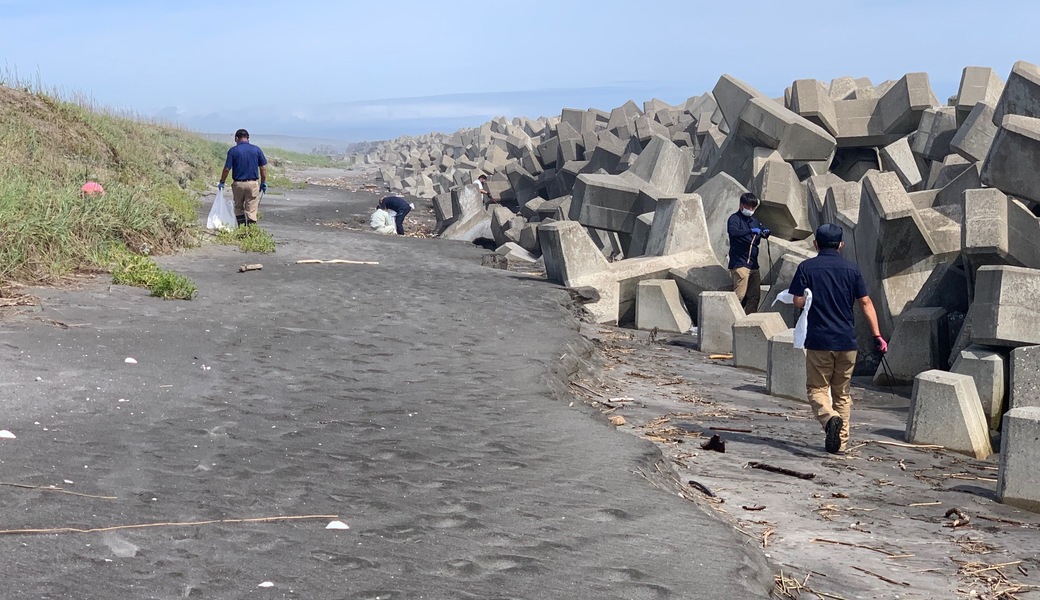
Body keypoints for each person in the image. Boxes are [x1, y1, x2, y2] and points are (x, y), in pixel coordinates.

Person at [788, 223, 887, 454]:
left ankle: (829, 418)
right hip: (847, 341)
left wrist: (808, 298)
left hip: (819, 341)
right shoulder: (852, 270)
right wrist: (877, 335)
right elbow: (865, 302)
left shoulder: (806, 268)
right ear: (841, 245)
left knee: (817, 389)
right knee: (842, 393)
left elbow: (797, 301)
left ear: (815, 244)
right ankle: (840, 445)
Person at [727, 192, 771, 313]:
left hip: (754, 266)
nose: (750, 209)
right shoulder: (734, 219)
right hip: (740, 264)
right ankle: (733, 320)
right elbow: (733, 232)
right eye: (748, 206)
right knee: (739, 296)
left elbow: (763, 228)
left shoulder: (754, 221)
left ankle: (749, 321)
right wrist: (750, 231)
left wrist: (766, 231)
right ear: (741, 205)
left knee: (754, 297)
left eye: (753, 207)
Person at [218, 129, 268, 227]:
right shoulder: (256, 149)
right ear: (248, 138)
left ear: (236, 138)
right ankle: (251, 232)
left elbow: (227, 169)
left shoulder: (233, 151)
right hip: (252, 184)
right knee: (251, 209)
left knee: (238, 208)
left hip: (238, 184)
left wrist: (222, 181)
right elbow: (263, 167)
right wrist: (263, 182)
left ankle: (242, 231)